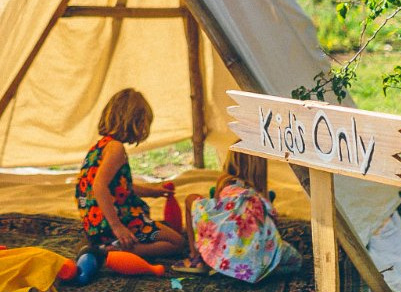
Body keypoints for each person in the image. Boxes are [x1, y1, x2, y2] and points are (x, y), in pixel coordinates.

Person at [74, 87, 186, 259]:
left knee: (163, 231)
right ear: (135, 122)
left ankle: (107, 245)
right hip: (115, 222)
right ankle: (110, 252)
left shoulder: (100, 147)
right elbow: (99, 186)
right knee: (177, 242)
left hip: (96, 226)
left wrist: (153, 192)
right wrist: (117, 226)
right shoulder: (116, 149)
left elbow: (121, 188)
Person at [175, 148, 302, 282]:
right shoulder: (260, 197)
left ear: (231, 161)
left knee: (191, 199)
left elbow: (219, 212)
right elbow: (272, 224)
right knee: (296, 261)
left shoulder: (225, 182)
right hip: (257, 252)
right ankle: (257, 270)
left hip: (227, 249)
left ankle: (197, 258)